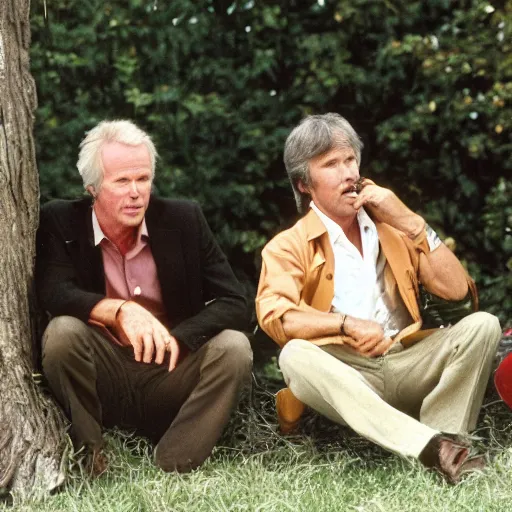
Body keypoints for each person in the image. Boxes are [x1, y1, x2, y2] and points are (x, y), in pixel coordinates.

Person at [256, 113, 501, 483]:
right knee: (293, 355)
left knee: (484, 326)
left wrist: (412, 222)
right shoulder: (287, 246)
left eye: (350, 159)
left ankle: (446, 441)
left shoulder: (393, 228)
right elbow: (278, 318)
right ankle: (434, 448)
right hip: (347, 376)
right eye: (331, 164)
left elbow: (459, 293)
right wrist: (344, 324)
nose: (348, 173)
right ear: (304, 184)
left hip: (406, 361)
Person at [36, 120, 252, 475]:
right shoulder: (60, 220)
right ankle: (91, 457)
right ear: (92, 186)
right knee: (62, 333)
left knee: (234, 347)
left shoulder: (183, 219)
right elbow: (54, 292)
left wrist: (177, 340)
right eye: (121, 181)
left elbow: (235, 301)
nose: (136, 192)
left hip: (169, 371)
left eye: (143, 179)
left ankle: (174, 464)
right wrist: (119, 311)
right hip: (101, 371)